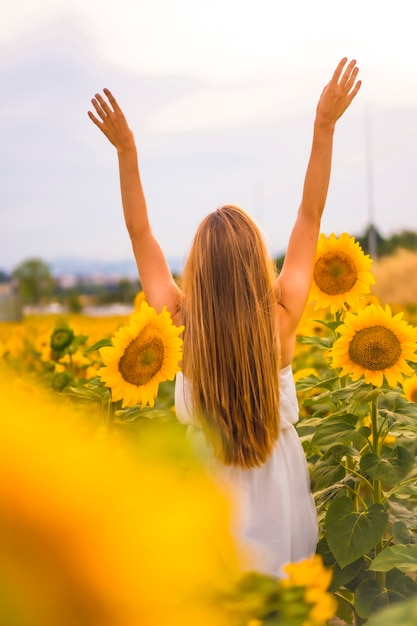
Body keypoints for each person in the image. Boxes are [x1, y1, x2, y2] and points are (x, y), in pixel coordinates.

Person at [88, 58, 361, 577]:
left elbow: (140, 235)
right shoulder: (280, 319)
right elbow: (310, 215)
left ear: (198, 271)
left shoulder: (180, 328)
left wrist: (127, 152)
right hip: (281, 496)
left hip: (208, 503)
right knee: (284, 603)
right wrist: (323, 126)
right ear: (258, 262)